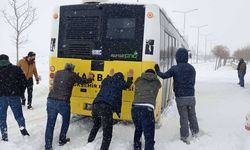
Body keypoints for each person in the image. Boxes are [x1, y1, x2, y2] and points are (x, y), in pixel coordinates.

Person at [154, 48, 199, 144]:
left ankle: (184, 136)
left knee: (184, 117)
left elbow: (164, 75)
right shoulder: (192, 68)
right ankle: (195, 132)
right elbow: (192, 82)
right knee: (192, 116)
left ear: (177, 57)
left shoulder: (175, 68)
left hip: (181, 98)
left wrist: (157, 70)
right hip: (191, 97)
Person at [45, 63, 94, 150]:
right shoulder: (72, 75)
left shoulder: (57, 72)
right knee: (66, 121)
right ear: (72, 69)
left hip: (51, 100)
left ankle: (48, 146)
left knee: (50, 124)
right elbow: (83, 81)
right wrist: (90, 78)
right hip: (63, 102)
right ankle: (62, 139)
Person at [87, 69, 133, 150]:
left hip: (95, 105)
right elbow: (128, 85)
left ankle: (89, 143)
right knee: (107, 133)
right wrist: (130, 77)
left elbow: (107, 80)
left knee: (96, 125)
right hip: (106, 107)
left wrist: (110, 75)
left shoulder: (106, 80)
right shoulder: (120, 82)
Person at [0, 54, 30, 142]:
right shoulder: (16, 69)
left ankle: (4, 135)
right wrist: (20, 93)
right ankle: (23, 131)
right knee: (19, 116)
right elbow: (24, 82)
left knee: (2, 117)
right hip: (14, 96)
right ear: (8, 60)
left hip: (1, 98)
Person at [131, 69, 161, 150]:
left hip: (135, 108)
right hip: (147, 109)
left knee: (138, 129)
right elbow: (159, 84)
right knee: (149, 136)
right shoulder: (156, 82)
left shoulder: (138, 80)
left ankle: (137, 147)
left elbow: (136, 83)